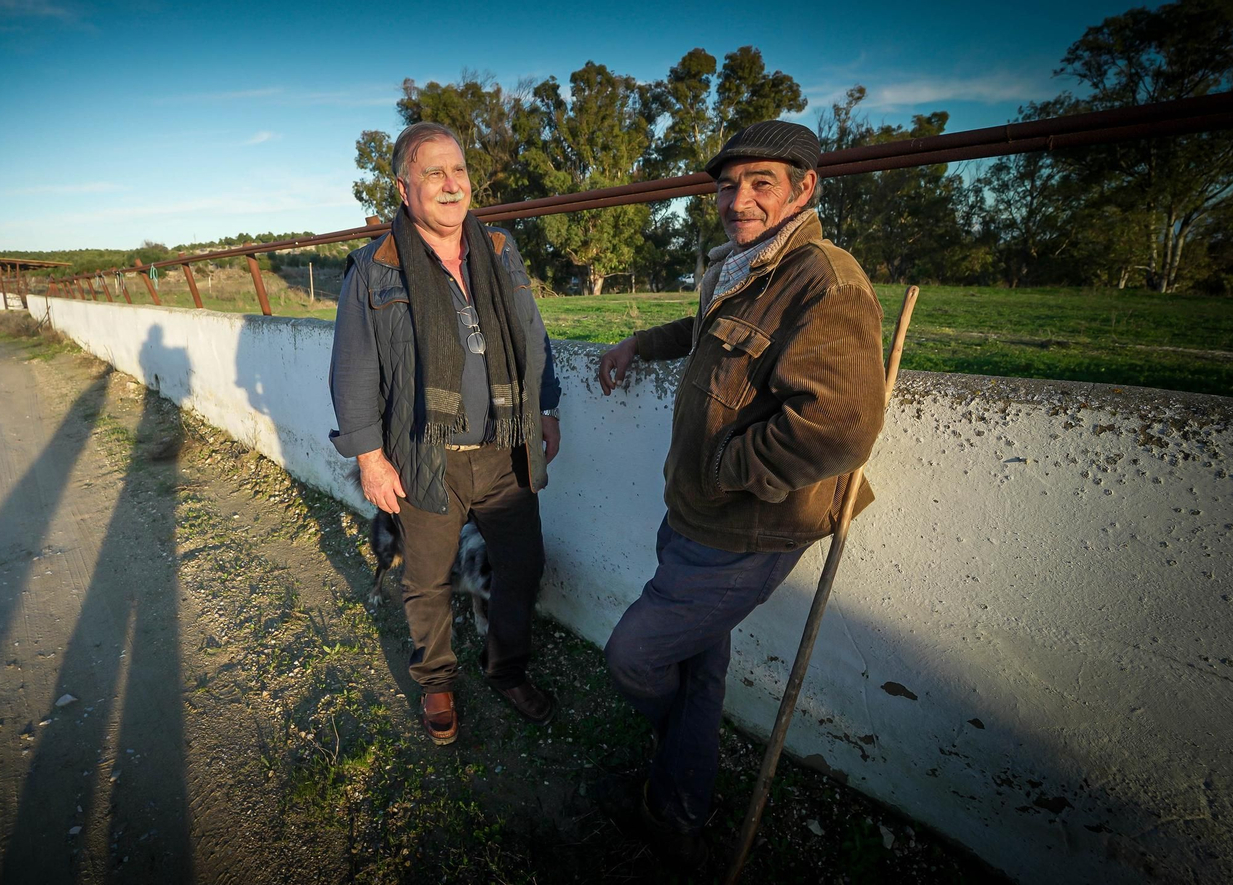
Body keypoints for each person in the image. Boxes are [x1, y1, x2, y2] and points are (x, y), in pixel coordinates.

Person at [596, 120, 886, 865]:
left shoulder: (824, 277)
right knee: (702, 665)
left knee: (634, 653)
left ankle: (676, 770)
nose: (739, 198)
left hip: (746, 528)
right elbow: (710, 336)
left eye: (761, 182)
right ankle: (682, 804)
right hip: (693, 511)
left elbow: (838, 425)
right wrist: (639, 343)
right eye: (728, 184)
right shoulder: (740, 264)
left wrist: (725, 469)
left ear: (804, 188)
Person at [329, 122, 563, 745]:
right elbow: (353, 369)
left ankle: (506, 666)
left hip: (503, 448)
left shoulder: (500, 249)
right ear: (404, 188)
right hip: (422, 456)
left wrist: (546, 408)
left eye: (458, 171)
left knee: (523, 564)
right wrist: (372, 460)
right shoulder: (374, 268)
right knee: (426, 577)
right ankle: (435, 678)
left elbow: (531, 334)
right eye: (433, 173)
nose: (450, 184)